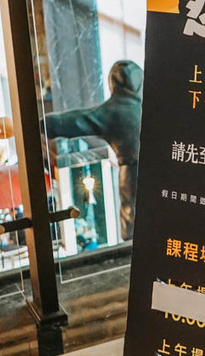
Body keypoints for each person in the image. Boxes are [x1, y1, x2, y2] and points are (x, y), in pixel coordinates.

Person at [45, 61, 142, 241]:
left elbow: (73, 121)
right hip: (162, 174)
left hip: (132, 173)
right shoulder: (149, 106)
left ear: (113, 83)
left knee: (133, 226)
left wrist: (39, 124)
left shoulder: (113, 112)